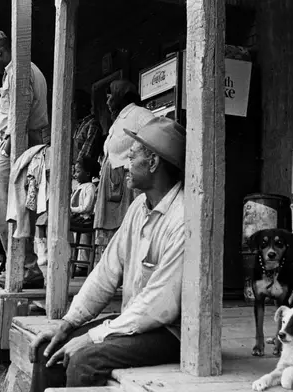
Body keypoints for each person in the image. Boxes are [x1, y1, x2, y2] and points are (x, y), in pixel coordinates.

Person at [28, 117, 186, 390]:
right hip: (134, 324)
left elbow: (158, 307)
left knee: (83, 360)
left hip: (170, 332)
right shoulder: (139, 206)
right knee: (49, 348)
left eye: (132, 156)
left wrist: (93, 337)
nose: (125, 164)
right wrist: (69, 323)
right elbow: (106, 272)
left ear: (153, 163)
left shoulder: (183, 217)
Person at [0, 30, 48, 289]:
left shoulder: (18, 69)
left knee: (6, 205)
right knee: (18, 207)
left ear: (0, 50)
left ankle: (23, 268)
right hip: (25, 139)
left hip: (20, 141)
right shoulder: (22, 69)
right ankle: (22, 266)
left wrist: (9, 141)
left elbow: (23, 105)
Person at [93, 80, 155, 252]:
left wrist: (135, 162)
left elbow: (153, 136)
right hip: (112, 182)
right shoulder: (119, 119)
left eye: (110, 97)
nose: (107, 102)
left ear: (120, 96)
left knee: (127, 230)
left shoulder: (139, 114)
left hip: (125, 182)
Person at [72, 90, 105, 167]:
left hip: (84, 173)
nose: (73, 109)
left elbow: (86, 154)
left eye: (75, 106)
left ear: (83, 106)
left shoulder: (93, 124)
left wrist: (77, 168)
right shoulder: (79, 126)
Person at [70, 157, 100, 228]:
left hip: (85, 219)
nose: (75, 175)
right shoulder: (78, 186)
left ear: (87, 173)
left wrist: (71, 209)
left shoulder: (90, 187)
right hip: (77, 216)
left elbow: (87, 208)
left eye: (78, 172)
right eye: (75, 172)